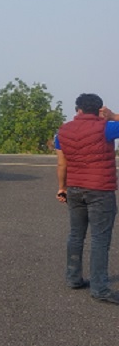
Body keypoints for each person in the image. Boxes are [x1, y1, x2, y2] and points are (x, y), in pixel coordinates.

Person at [55, 93, 119, 304]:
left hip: (74, 188)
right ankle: (99, 287)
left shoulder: (63, 131)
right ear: (99, 109)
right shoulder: (106, 127)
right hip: (100, 190)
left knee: (76, 235)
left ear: (78, 109)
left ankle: (73, 278)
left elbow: (62, 164)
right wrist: (113, 116)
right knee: (100, 240)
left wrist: (62, 188)